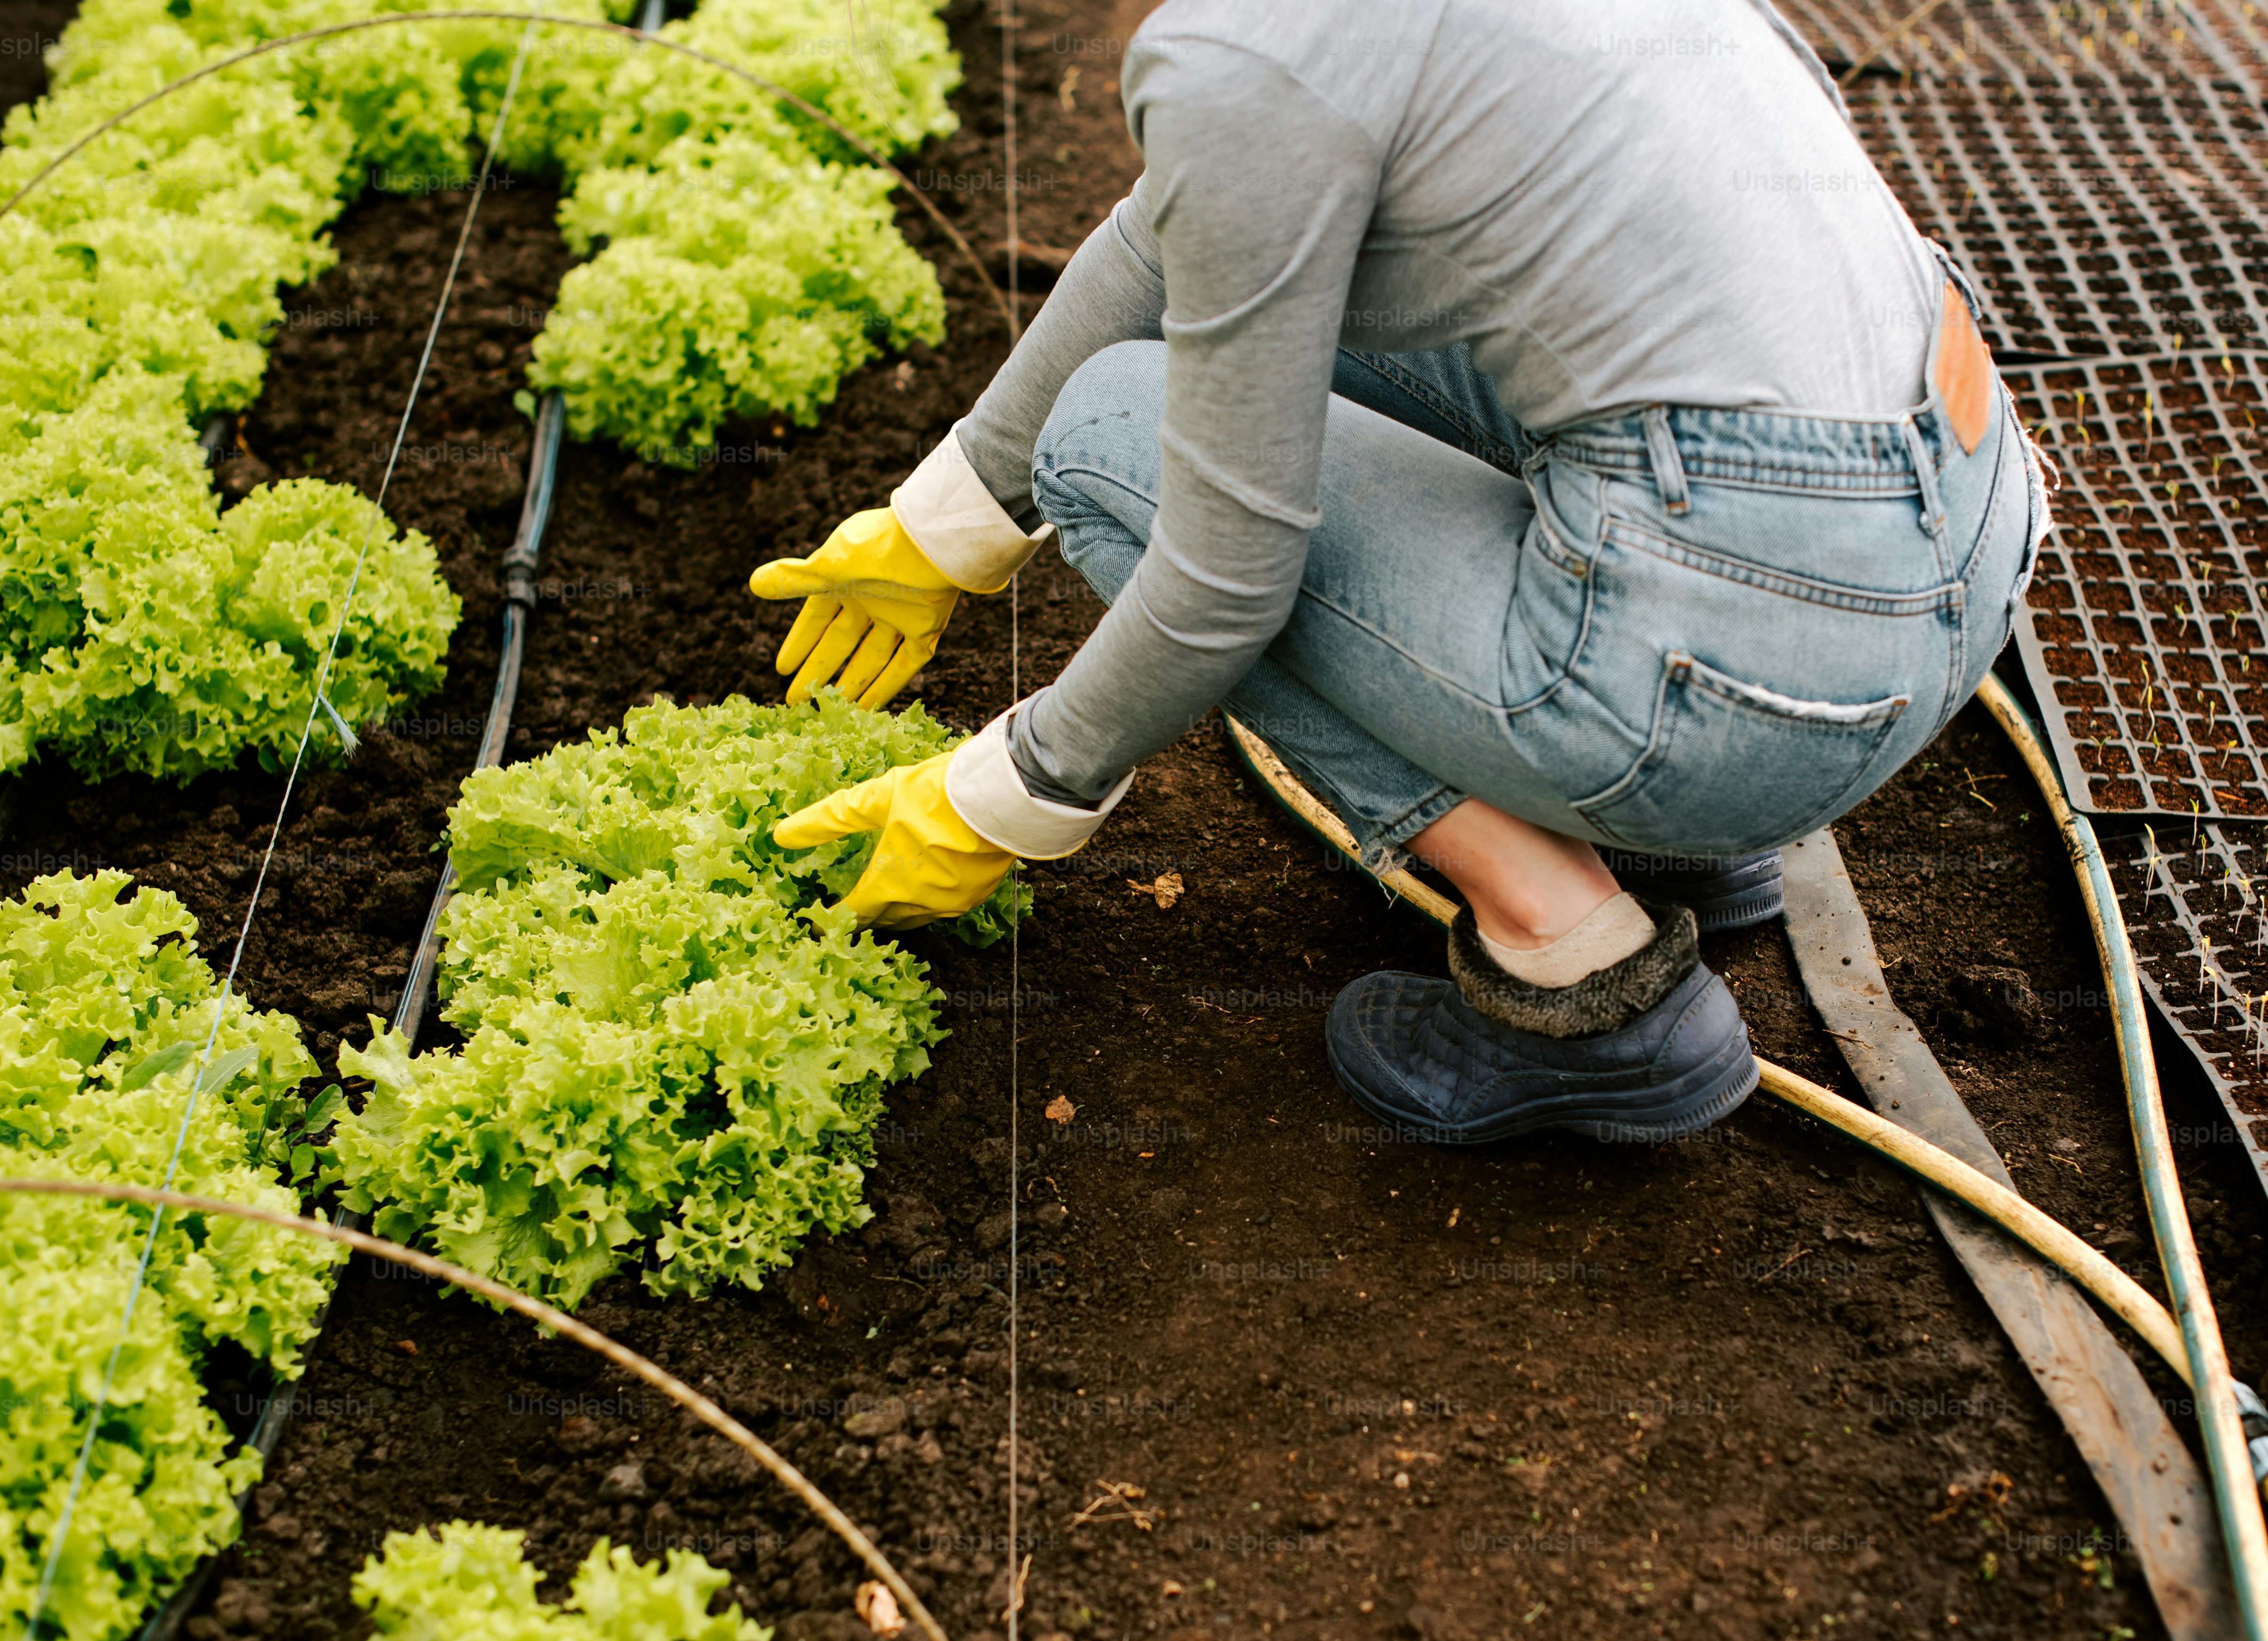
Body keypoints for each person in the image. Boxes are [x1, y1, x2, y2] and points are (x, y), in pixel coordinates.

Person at [753, 0, 2051, 1145]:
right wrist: (948, 522)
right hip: (1950, 548)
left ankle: (1568, 962)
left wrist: (1005, 798)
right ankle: (1678, 836)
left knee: (1106, 440)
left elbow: (1223, 581)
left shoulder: (1246, 55)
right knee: (1286, 313)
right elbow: (1177, 238)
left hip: (1732, 685)